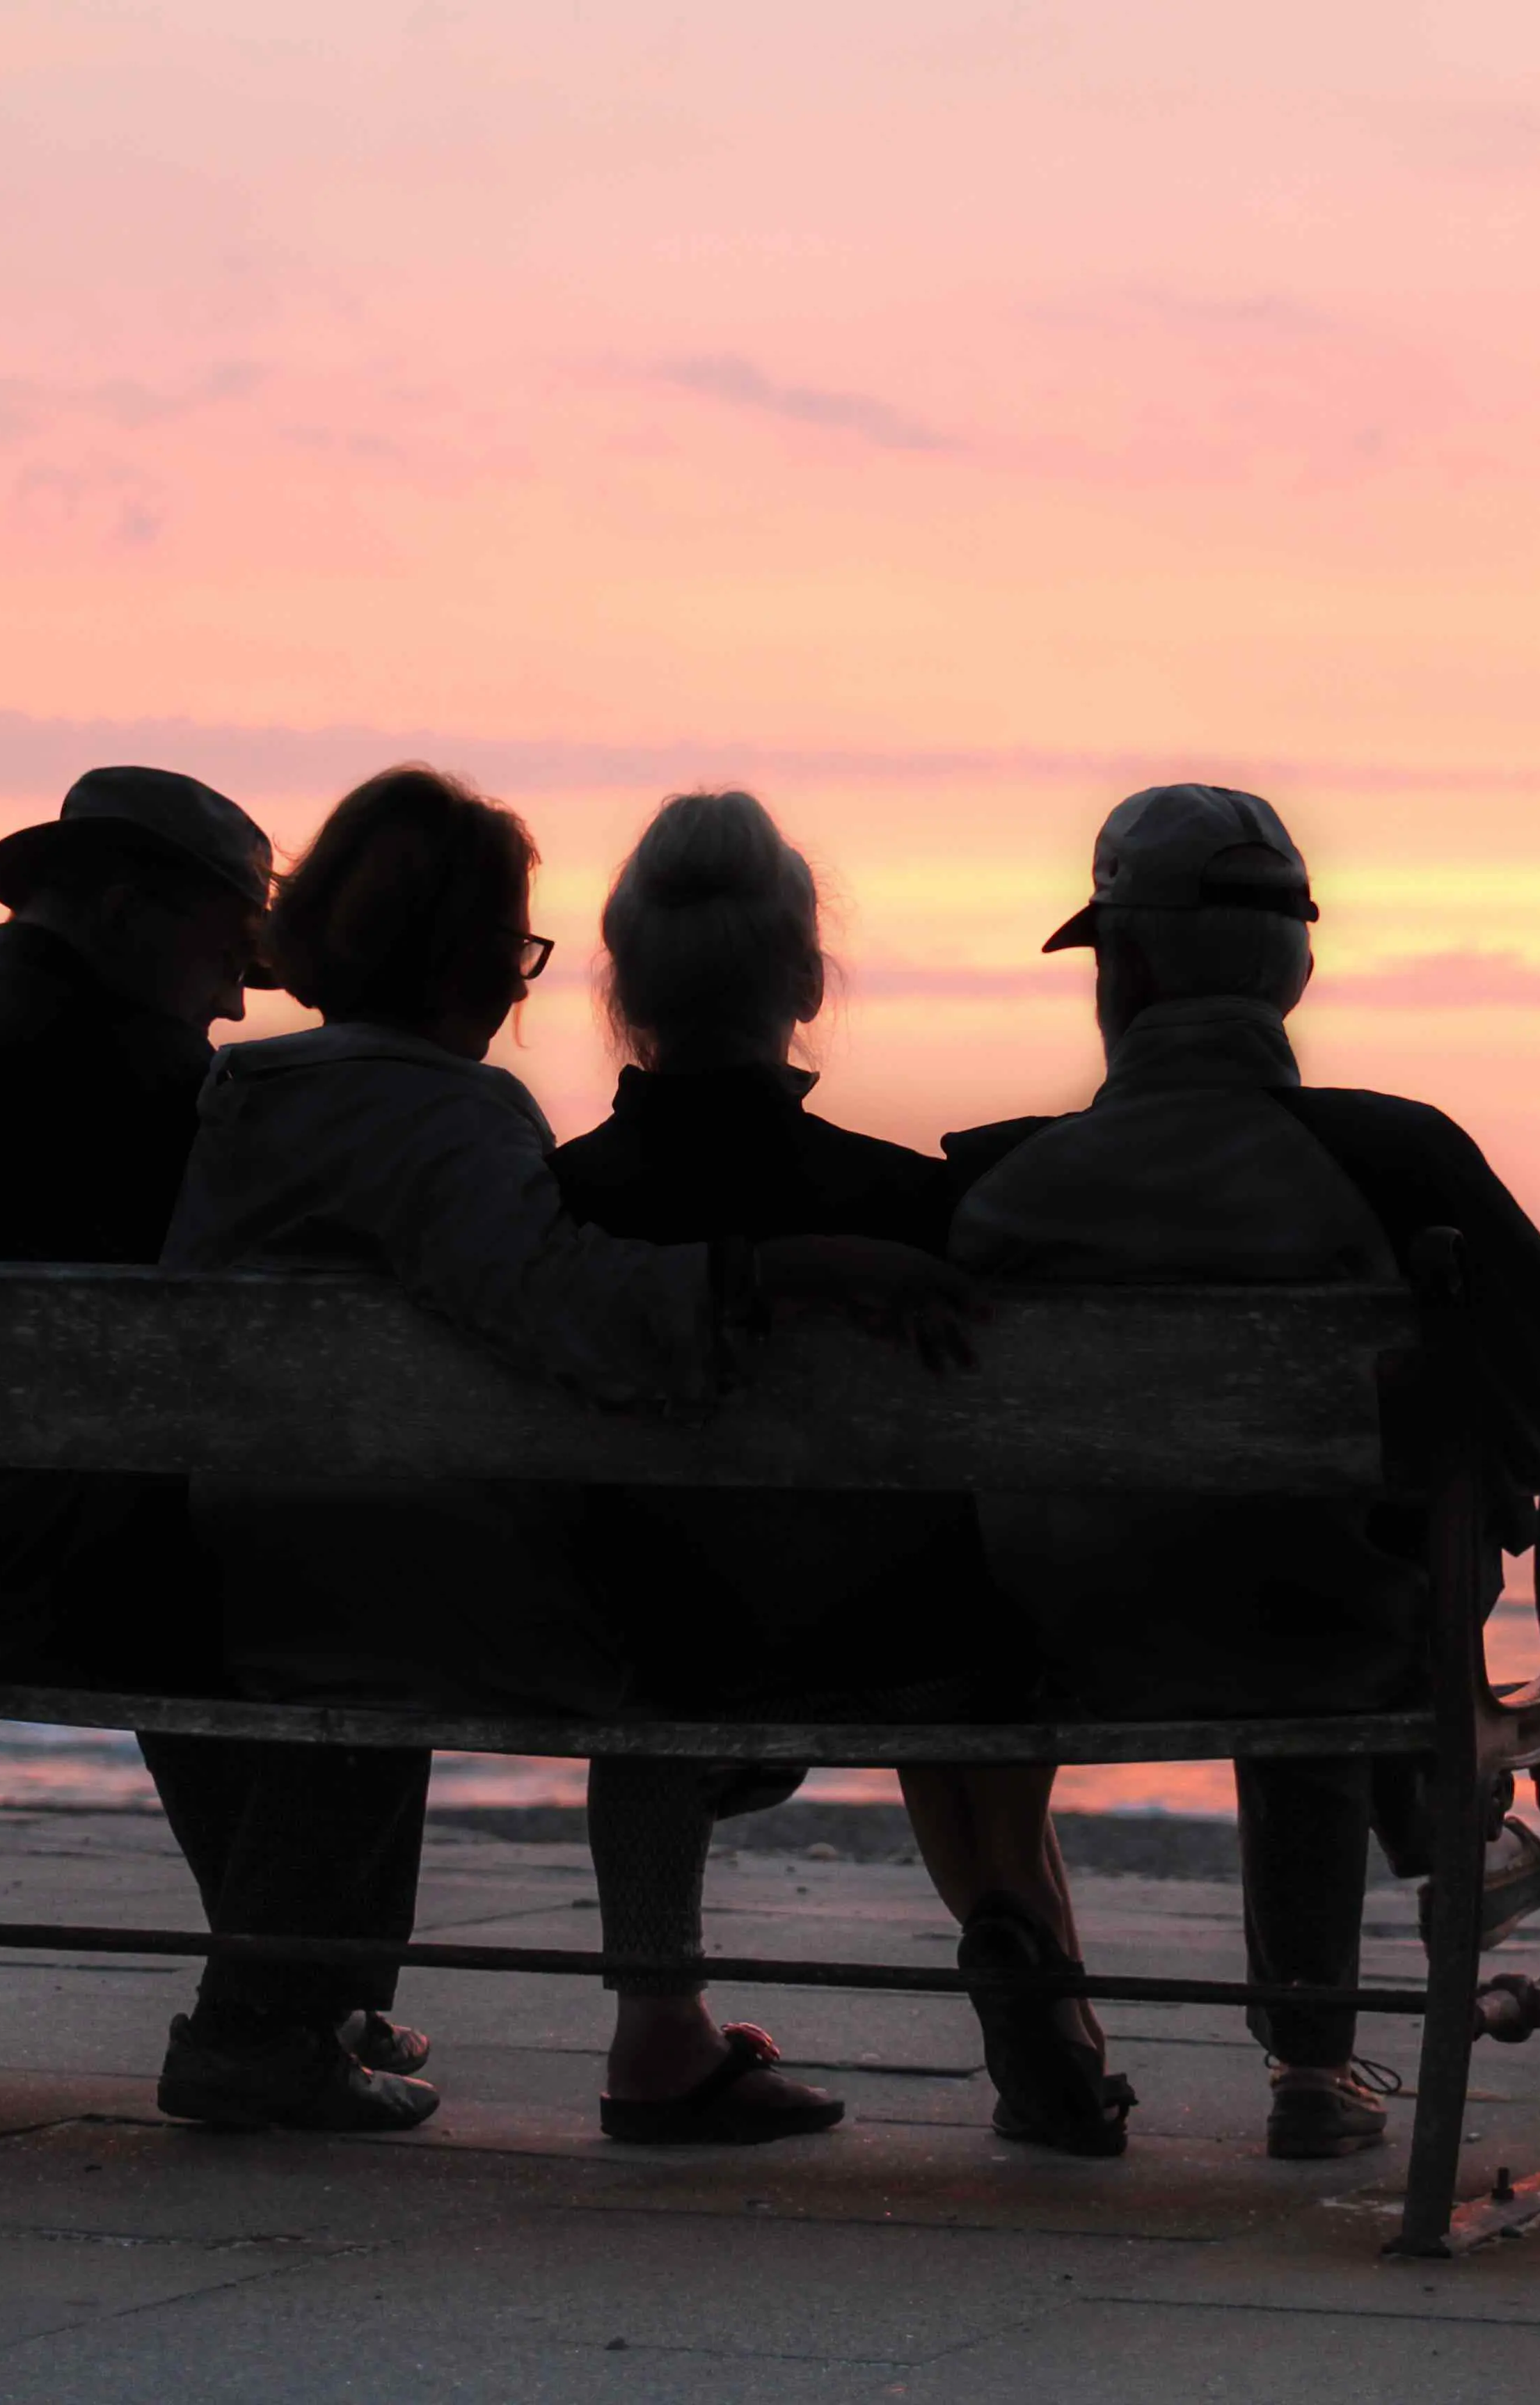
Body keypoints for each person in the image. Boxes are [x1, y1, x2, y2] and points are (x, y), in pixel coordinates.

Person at [165, 763, 971, 2147]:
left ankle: (298, 2003)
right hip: (402, 1591)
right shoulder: (457, 1117)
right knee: (652, 1640)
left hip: (224, 1562)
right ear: (479, 962)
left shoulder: (232, 1102)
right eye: (514, 952)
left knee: (372, 1608)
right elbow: (567, 1310)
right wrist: (784, 1271)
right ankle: (269, 2028)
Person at [0, 765, 441, 2138]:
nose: (239, 1002)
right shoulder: (126, 1068)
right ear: (127, 911)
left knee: (217, 1566)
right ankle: (273, 2017)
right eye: (232, 957)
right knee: (360, 1590)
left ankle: (294, 1990)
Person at [947, 783, 1540, 2161]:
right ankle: (1318, 2059)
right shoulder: (1395, 1161)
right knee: (1337, 1576)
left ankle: (1133, 1996)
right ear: (1294, 970)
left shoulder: (1007, 1192)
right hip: (1333, 1647)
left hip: (1060, 1647)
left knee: (1279, 1562)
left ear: (1119, 973)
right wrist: (1489, 1481)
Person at [552, 788, 1132, 2157]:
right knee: (973, 1637)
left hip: (635, 1642)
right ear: (807, 984)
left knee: (654, 1627)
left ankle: (657, 2017)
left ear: (619, 988)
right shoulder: (906, 1207)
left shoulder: (555, 1209)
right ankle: (1027, 1952)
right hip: (890, 1647)